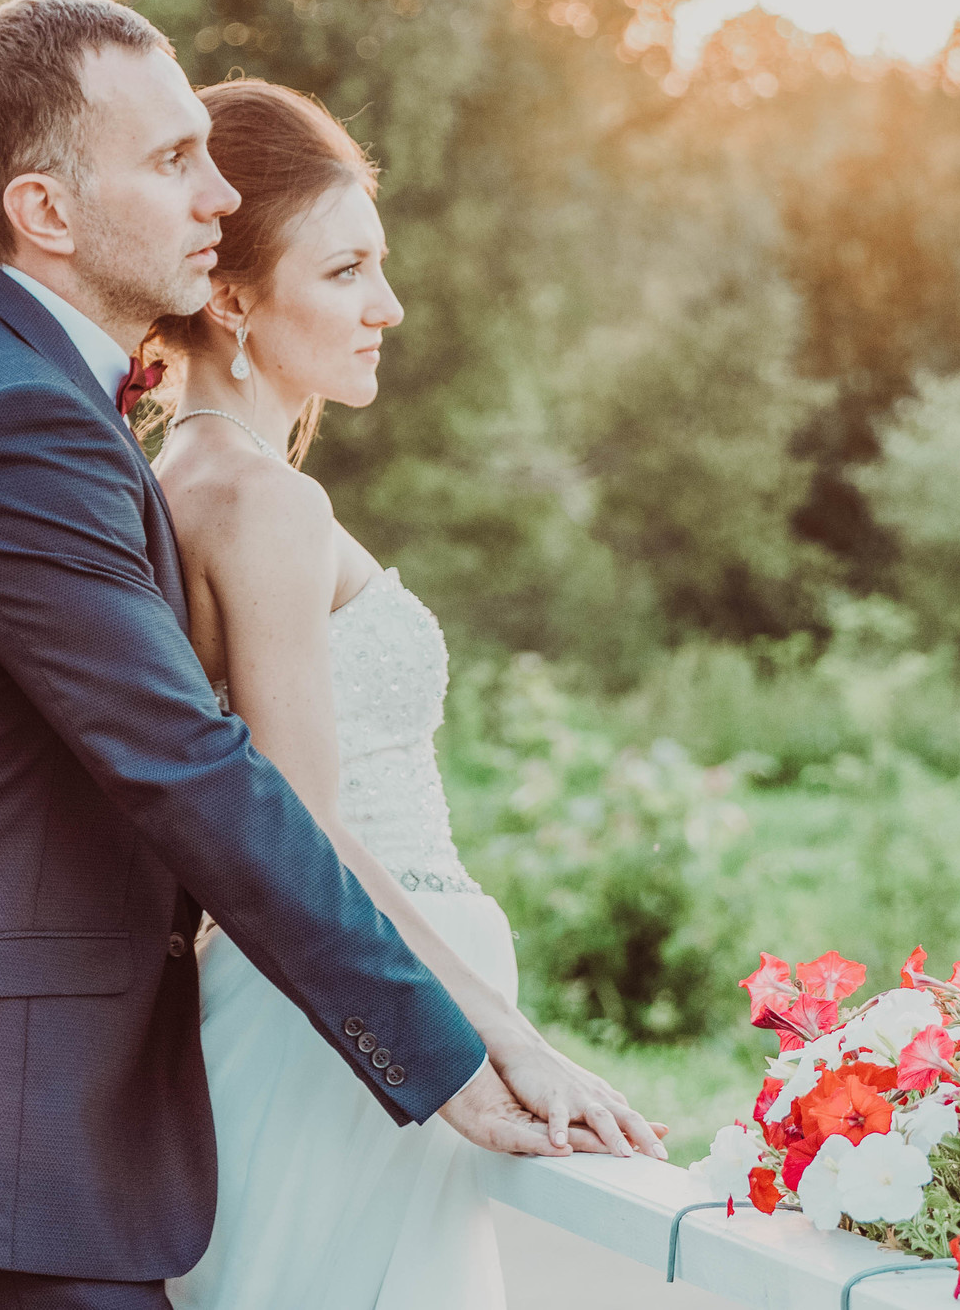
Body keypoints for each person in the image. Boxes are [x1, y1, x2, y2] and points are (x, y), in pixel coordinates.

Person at [0, 0, 660, 1310]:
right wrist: (461, 1047)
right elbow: (193, 772)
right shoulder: (15, 424)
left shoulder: (20, 395)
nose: (217, 196)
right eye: (170, 161)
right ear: (45, 209)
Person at [151, 82, 644, 1309]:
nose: (389, 307)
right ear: (230, 295)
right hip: (356, 1012)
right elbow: (303, 832)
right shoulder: (263, 503)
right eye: (347, 270)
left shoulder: (187, 476)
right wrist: (499, 1036)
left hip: (327, 1002)